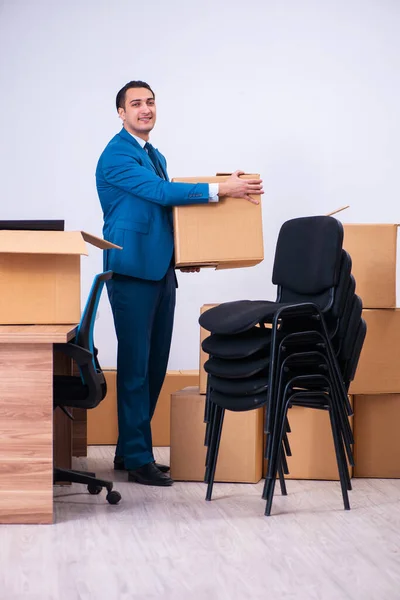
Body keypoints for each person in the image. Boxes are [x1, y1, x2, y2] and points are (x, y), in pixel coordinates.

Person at [96, 80, 264, 486]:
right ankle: (138, 458)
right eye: (136, 104)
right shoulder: (117, 156)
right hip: (132, 272)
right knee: (136, 368)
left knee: (154, 367)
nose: (145, 109)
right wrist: (222, 189)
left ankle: (127, 450)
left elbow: (162, 217)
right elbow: (160, 193)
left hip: (160, 271)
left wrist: (182, 256)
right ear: (121, 113)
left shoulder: (155, 154)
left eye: (150, 102)